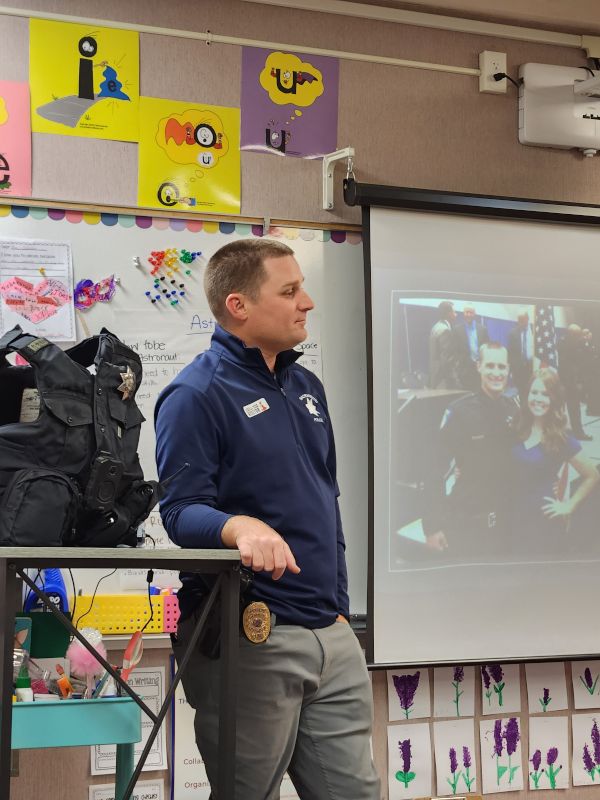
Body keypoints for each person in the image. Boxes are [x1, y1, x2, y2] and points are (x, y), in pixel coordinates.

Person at [154, 239, 380, 800]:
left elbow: (322, 500)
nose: (306, 302)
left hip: (331, 631)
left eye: (302, 287)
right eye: (290, 291)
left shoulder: (308, 388)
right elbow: (180, 512)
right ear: (239, 306)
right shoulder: (195, 394)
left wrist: (339, 611)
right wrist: (239, 527)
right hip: (253, 635)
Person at [423, 342, 519, 556]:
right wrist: (432, 526)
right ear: (479, 366)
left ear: (508, 369)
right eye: (490, 366)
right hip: (468, 522)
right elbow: (434, 469)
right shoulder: (459, 412)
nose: (496, 373)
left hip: (506, 521)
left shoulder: (513, 409)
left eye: (502, 367)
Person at [510, 368, 599, 556]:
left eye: (545, 394)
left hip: (542, 522)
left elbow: (592, 475)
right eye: (534, 392)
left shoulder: (561, 437)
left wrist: (569, 505)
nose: (538, 399)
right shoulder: (517, 426)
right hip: (513, 517)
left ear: (554, 399)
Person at [558, 324, 592, 440]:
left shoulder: (572, 343)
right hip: (564, 381)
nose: (579, 337)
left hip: (571, 380)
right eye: (577, 335)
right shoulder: (565, 344)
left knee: (574, 409)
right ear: (572, 334)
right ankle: (560, 432)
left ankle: (577, 432)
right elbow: (571, 362)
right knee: (560, 409)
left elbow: (583, 361)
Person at [452, 304, 489, 391]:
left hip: (480, 369)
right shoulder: (457, 330)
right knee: (466, 395)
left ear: (474, 314)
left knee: (480, 394)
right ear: (463, 313)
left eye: (471, 312)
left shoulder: (482, 329)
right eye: (466, 312)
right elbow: (455, 350)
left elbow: (487, 348)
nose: (468, 314)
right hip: (464, 369)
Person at [507, 309, 534, 410]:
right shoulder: (512, 333)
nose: (521, 322)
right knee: (522, 395)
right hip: (519, 370)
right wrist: (511, 371)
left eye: (523, 319)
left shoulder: (535, 331)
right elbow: (510, 354)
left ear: (527, 319)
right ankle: (525, 416)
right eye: (519, 320)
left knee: (532, 392)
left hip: (532, 369)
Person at [429, 300, 456, 389]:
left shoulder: (435, 327)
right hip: (443, 380)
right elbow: (446, 358)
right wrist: (454, 379)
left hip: (435, 375)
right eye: (454, 312)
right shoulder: (445, 330)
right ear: (448, 313)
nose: (456, 314)